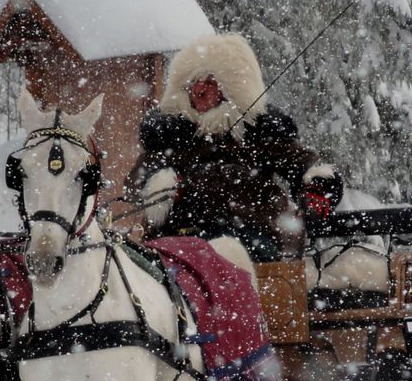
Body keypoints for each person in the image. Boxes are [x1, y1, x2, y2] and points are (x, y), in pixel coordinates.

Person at [127, 33, 342, 262]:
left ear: (230, 87)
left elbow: (306, 166)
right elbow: (136, 183)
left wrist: (317, 190)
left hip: (252, 234)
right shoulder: (171, 135)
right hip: (180, 235)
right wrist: (162, 187)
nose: (199, 90)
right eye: (193, 82)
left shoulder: (260, 131)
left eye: (209, 82)